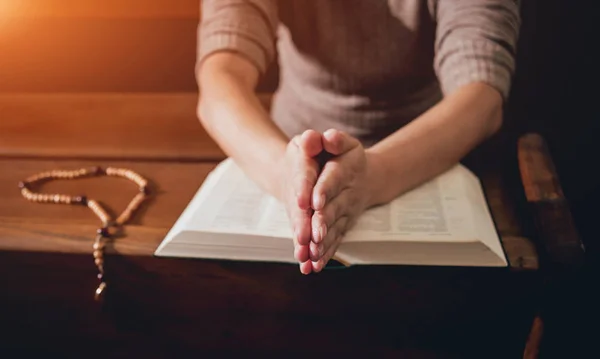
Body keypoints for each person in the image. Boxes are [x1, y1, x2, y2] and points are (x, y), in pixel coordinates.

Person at [195, 0, 520, 274]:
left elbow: (481, 95)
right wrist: (285, 173)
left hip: (432, 149)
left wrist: (376, 174)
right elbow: (221, 76)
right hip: (285, 145)